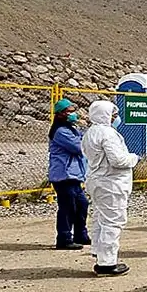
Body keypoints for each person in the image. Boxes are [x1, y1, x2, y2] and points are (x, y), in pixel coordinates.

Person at [82, 100, 139, 276]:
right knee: (113, 222)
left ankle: (99, 252)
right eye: (113, 115)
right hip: (111, 183)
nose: (116, 118)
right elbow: (118, 160)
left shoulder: (90, 133)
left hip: (97, 180)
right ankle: (107, 263)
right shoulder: (108, 134)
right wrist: (134, 158)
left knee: (100, 218)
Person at [48, 98, 90, 250]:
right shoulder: (60, 131)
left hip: (74, 175)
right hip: (63, 175)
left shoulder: (72, 129)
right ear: (60, 114)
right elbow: (78, 147)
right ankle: (64, 237)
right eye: (69, 112)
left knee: (82, 204)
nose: (73, 114)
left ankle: (80, 234)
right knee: (67, 207)